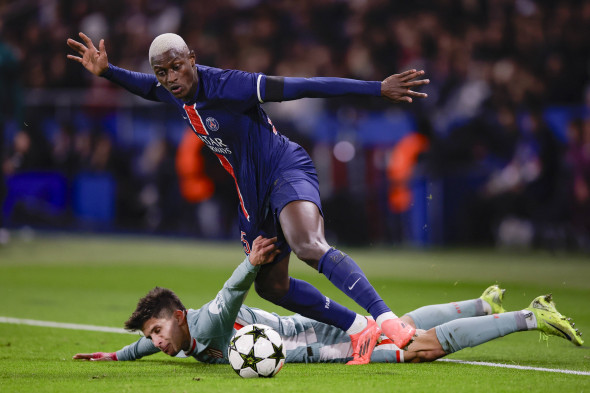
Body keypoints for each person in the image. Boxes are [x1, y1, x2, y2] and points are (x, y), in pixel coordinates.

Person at [66, 32, 430, 364]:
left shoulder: (230, 85)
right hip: (251, 192)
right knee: (272, 286)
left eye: (176, 67)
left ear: (192, 58)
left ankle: (387, 320)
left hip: (284, 167)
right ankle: (358, 328)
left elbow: (305, 86)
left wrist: (376, 89)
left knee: (307, 245)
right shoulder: (171, 90)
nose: (170, 78)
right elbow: (145, 87)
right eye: (162, 72)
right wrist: (107, 71)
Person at [73, 236, 583, 365]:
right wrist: (115, 354)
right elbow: (145, 346)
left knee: (419, 348)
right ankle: (481, 305)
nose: (157, 341)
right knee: (401, 324)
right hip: (305, 338)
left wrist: (250, 263)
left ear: (179, 318)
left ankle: (526, 315)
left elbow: (229, 295)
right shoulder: (184, 337)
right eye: (152, 336)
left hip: (316, 341)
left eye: (158, 330)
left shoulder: (205, 326)